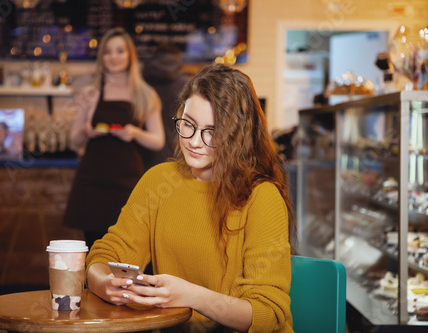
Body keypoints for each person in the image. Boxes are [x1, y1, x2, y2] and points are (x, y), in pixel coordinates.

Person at [86, 63, 296, 333]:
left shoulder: (262, 197)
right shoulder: (159, 181)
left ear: (238, 136)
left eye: (212, 131)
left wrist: (189, 296)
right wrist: (104, 283)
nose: (195, 141)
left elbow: (268, 313)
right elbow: (104, 254)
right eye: (189, 124)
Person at [63, 27, 164, 249]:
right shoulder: (90, 93)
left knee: (128, 248)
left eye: (120, 51)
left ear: (130, 55)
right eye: (108, 52)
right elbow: (73, 141)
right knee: (94, 249)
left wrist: (136, 133)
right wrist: (85, 132)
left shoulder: (145, 94)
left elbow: (158, 140)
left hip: (128, 184)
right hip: (93, 184)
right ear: (102, 57)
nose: (114, 57)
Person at [141, 42, 189, 169]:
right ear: (178, 59)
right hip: (177, 156)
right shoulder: (188, 86)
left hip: (144, 157)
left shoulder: (139, 83)